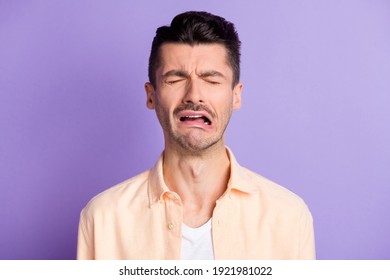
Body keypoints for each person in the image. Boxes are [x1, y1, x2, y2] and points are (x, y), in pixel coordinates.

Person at [77, 11, 315, 260]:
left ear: (236, 96)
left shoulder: (289, 218)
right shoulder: (102, 219)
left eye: (211, 80)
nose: (194, 95)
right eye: (175, 79)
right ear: (151, 95)